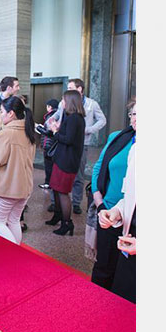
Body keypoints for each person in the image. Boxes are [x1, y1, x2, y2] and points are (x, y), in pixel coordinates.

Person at [90, 99, 136, 290]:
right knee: (104, 266)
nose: (136, 119)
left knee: (125, 275)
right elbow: (98, 169)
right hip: (111, 210)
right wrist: (100, 204)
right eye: (133, 114)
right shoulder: (119, 138)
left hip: (134, 220)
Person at [49, 78, 106, 213]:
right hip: (63, 143)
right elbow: (56, 116)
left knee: (78, 176)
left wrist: (88, 130)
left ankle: (76, 202)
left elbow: (102, 120)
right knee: (58, 179)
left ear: (79, 89)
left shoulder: (91, 104)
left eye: (70, 87)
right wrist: (50, 123)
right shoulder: (66, 104)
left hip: (80, 143)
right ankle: (55, 204)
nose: (68, 90)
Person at [0, 96, 36, 244]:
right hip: (25, 186)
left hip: (8, 187)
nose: (0, 115)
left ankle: (13, 253)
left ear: (11, 113)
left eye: (2, 112)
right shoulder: (28, 132)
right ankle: (17, 252)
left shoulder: (7, 133)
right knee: (13, 221)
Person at [98, 139, 135, 303]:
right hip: (129, 241)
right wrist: (117, 212)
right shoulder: (135, 150)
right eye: (133, 113)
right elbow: (130, 196)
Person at [45, 90, 85, 236]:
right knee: (55, 188)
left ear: (70, 101)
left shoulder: (75, 118)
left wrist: (55, 131)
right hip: (62, 158)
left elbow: (68, 139)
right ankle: (57, 215)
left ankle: (67, 223)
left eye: (63, 99)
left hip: (68, 161)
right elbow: (63, 135)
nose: (61, 102)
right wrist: (50, 131)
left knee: (62, 192)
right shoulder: (70, 116)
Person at [39, 98, 60, 190]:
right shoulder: (58, 115)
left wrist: (39, 128)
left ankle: (48, 183)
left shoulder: (51, 116)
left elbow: (49, 132)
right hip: (53, 143)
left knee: (48, 165)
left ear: (49, 107)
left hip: (49, 144)